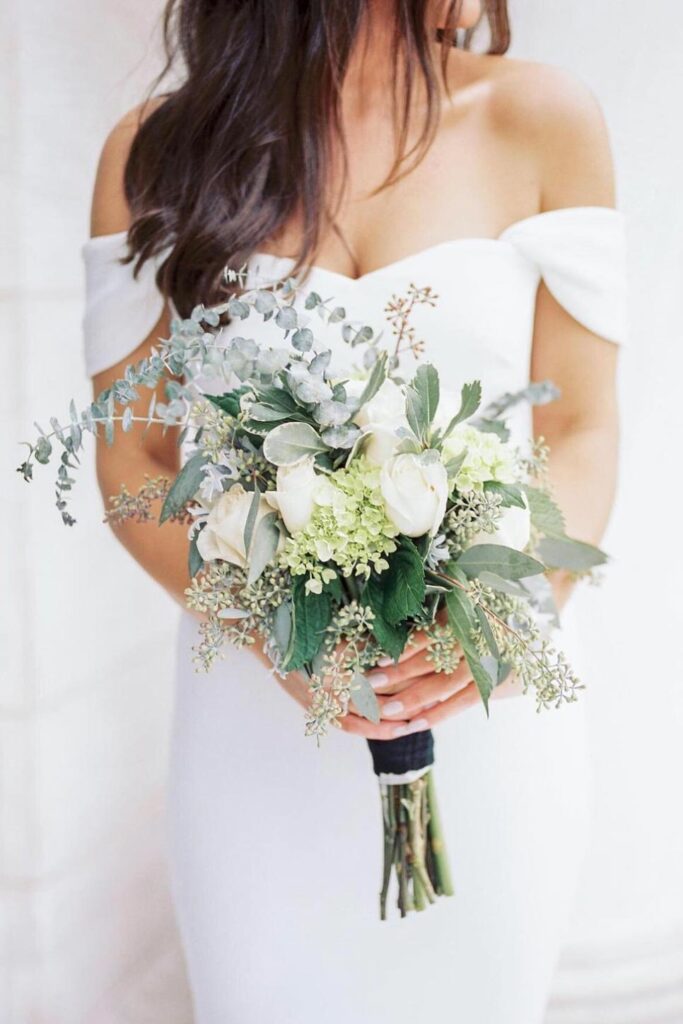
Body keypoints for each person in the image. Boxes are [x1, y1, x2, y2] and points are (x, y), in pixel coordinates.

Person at [83, 1, 626, 1020]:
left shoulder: (543, 119)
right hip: (256, 727)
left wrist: (506, 614)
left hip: (486, 718)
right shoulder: (155, 153)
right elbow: (132, 456)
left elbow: (584, 426)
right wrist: (265, 627)